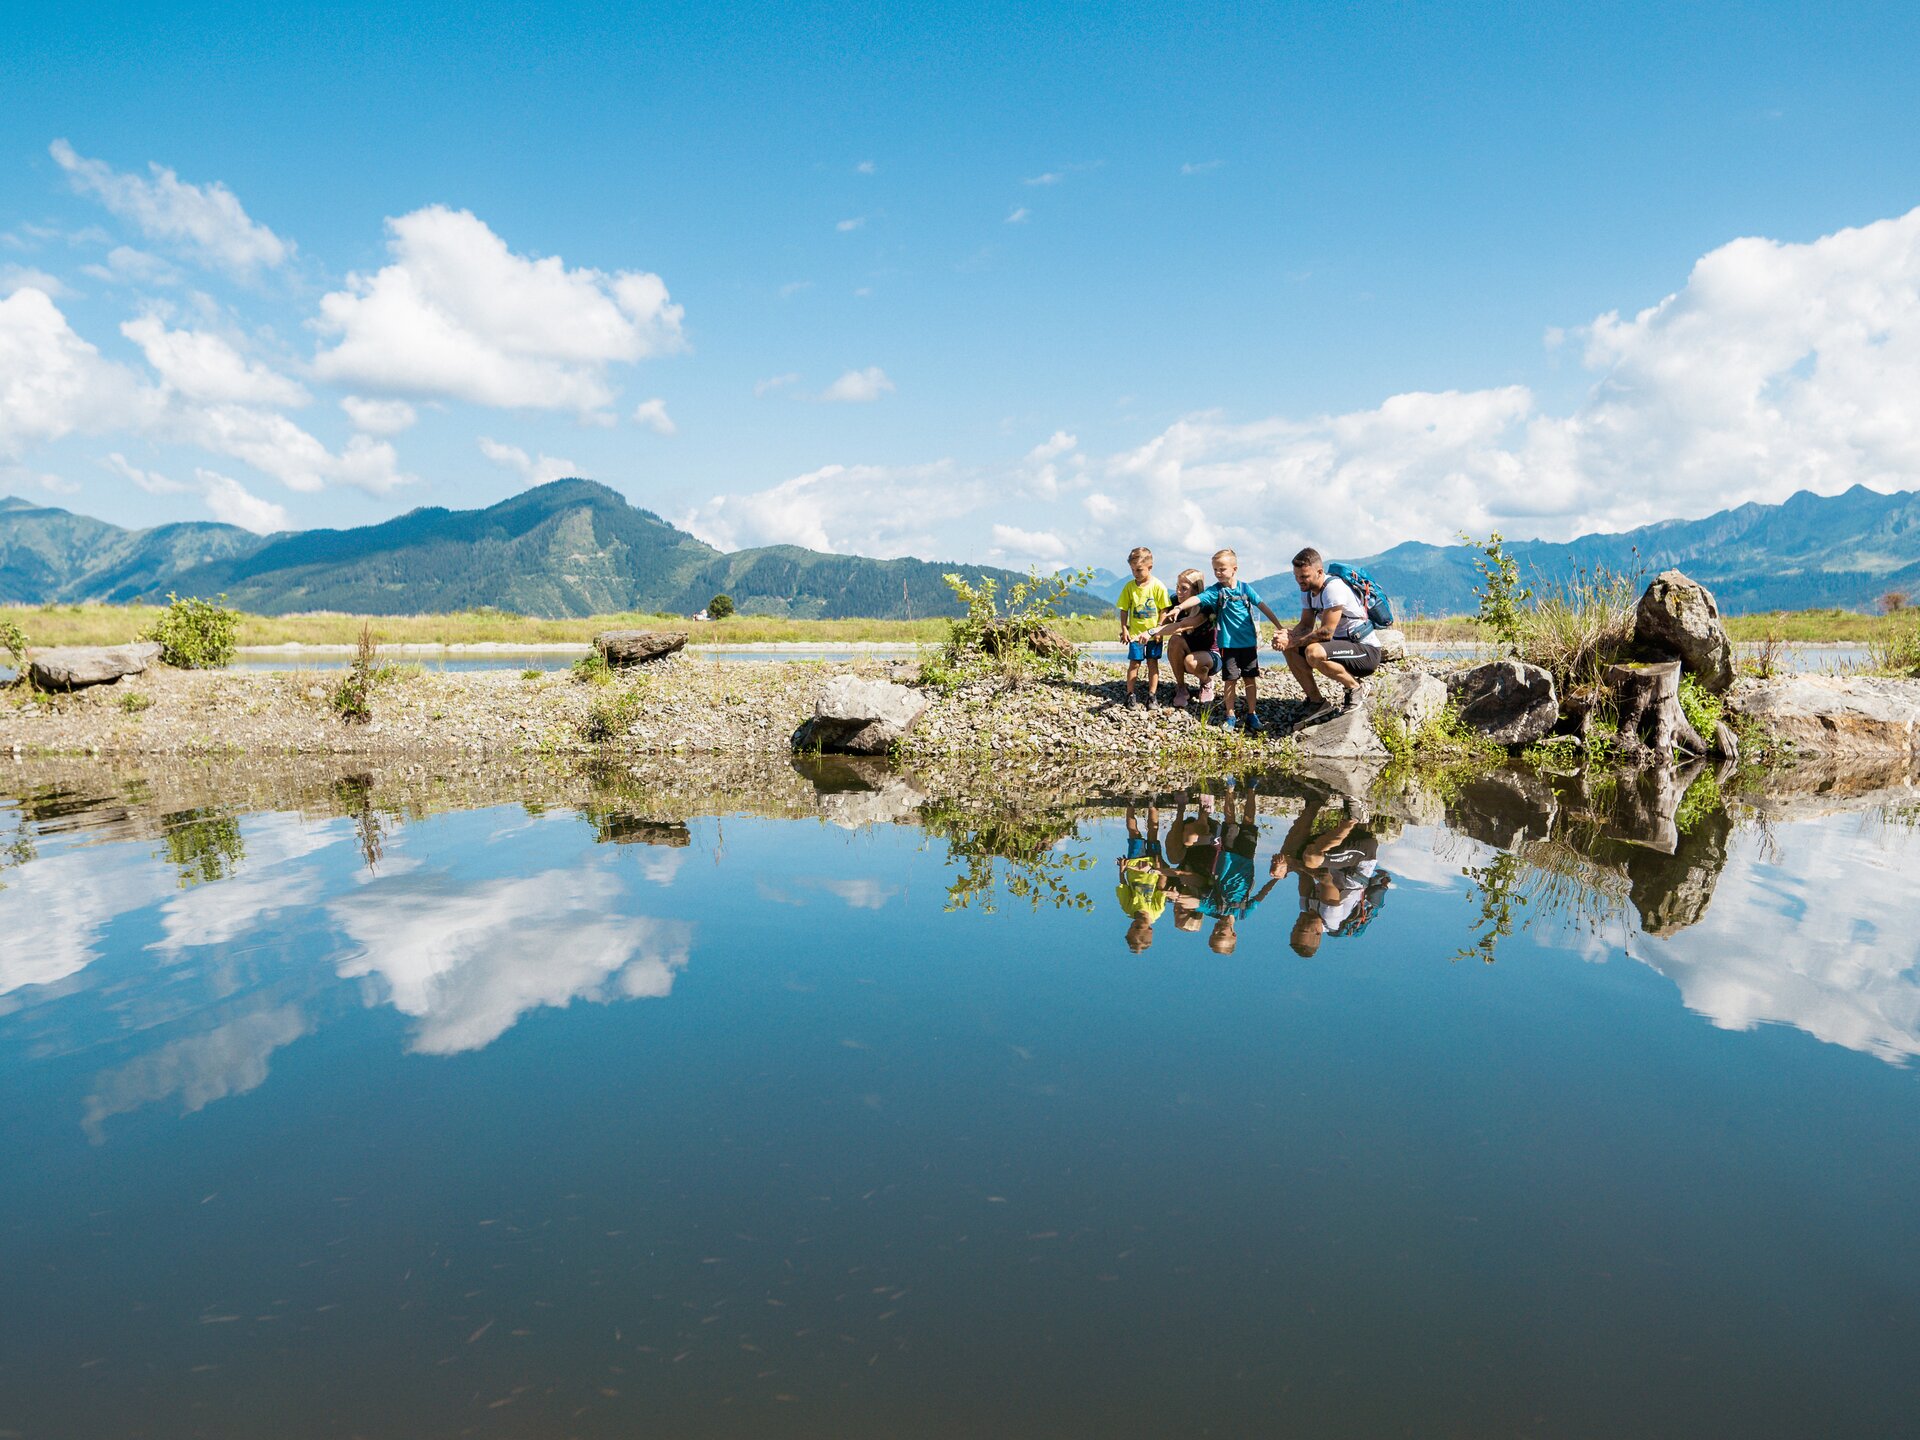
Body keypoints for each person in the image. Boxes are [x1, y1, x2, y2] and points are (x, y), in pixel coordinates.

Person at [1157, 549, 1287, 733]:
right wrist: (1179, 607)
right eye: (1215, 569)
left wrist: (1279, 626)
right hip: (1229, 646)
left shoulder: (1245, 589)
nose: (1218, 573)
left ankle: (1252, 713)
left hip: (1249, 644)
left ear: (1234, 569)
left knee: (1250, 679)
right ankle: (1230, 715)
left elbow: (1263, 607)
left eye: (1222, 569)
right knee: (1230, 681)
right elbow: (1196, 598)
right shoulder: (1215, 591)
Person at [1273, 547, 1383, 727]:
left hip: (1366, 652)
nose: (1300, 581)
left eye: (1304, 576)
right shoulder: (1307, 591)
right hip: (1342, 647)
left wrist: (1294, 640)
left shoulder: (1333, 588)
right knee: (1290, 649)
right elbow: (1306, 626)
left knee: (1313, 652)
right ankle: (1317, 703)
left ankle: (1355, 688)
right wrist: (1287, 636)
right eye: (1296, 576)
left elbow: (1326, 632)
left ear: (1319, 572)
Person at [1268, 793, 1387, 957]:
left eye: (1295, 927)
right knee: (1310, 859)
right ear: (1317, 933)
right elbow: (1325, 879)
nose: (1298, 922)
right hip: (1362, 855)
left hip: (1339, 857)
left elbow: (1304, 875)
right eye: (1302, 928)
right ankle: (1354, 818)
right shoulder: (1330, 918)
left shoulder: (1306, 907)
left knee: (1291, 853)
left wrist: (1284, 868)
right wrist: (1293, 864)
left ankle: (1316, 799)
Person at [1193, 779, 1281, 954]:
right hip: (1246, 860)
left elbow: (1194, 903)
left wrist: (1174, 897)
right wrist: (1276, 880)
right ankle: (1251, 789)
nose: (1217, 929)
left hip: (1227, 857)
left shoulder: (1212, 909)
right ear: (1233, 934)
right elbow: (1260, 897)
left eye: (1214, 933)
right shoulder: (1243, 913)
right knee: (1249, 822)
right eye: (1221, 934)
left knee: (1230, 821)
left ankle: (1230, 788)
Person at [1146, 567, 1219, 711]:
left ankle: (1206, 682)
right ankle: (1181, 688)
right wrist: (1159, 625)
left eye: (1184, 588)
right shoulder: (1175, 600)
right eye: (1177, 587)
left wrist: (1152, 632)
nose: (1179, 591)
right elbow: (1163, 613)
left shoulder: (1206, 606)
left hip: (1210, 655)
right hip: (1188, 648)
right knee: (1174, 640)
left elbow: (1183, 625)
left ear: (1196, 590)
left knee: (1190, 662)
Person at [1115, 546, 1171, 708]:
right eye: (1132, 570)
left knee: (1152, 663)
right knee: (1134, 663)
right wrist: (1124, 628)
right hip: (1135, 635)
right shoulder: (1129, 587)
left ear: (1150, 567)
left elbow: (1164, 610)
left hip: (1154, 635)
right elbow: (1124, 609)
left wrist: (1160, 628)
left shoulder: (1158, 586)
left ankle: (1152, 695)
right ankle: (1130, 694)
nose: (1135, 573)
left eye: (1139, 570)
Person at [1114, 798, 1169, 952]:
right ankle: (1152, 803)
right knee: (1153, 833)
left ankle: (1130, 804)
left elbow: (1123, 886)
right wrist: (1158, 868)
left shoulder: (1128, 909)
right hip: (1152, 865)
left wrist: (1122, 870)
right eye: (1138, 926)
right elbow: (1161, 887)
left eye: (1132, 926)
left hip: (1134, 865)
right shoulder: (1156, 911)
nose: (1134, 923)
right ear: (1150, 930)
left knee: (1134, 833)